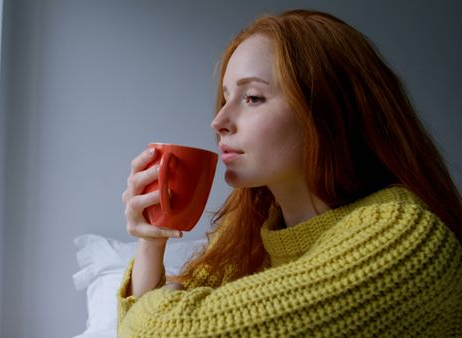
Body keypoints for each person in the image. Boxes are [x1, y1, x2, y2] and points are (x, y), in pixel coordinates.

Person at [118, 9, 462, 337]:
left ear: (327, 111)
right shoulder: (255, 232)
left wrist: (167, 304)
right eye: (225, 98)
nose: (219, 121)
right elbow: (136, 331)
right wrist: (152, 239)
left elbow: (159, 331)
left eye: (252, 97)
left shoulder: (405, 235)